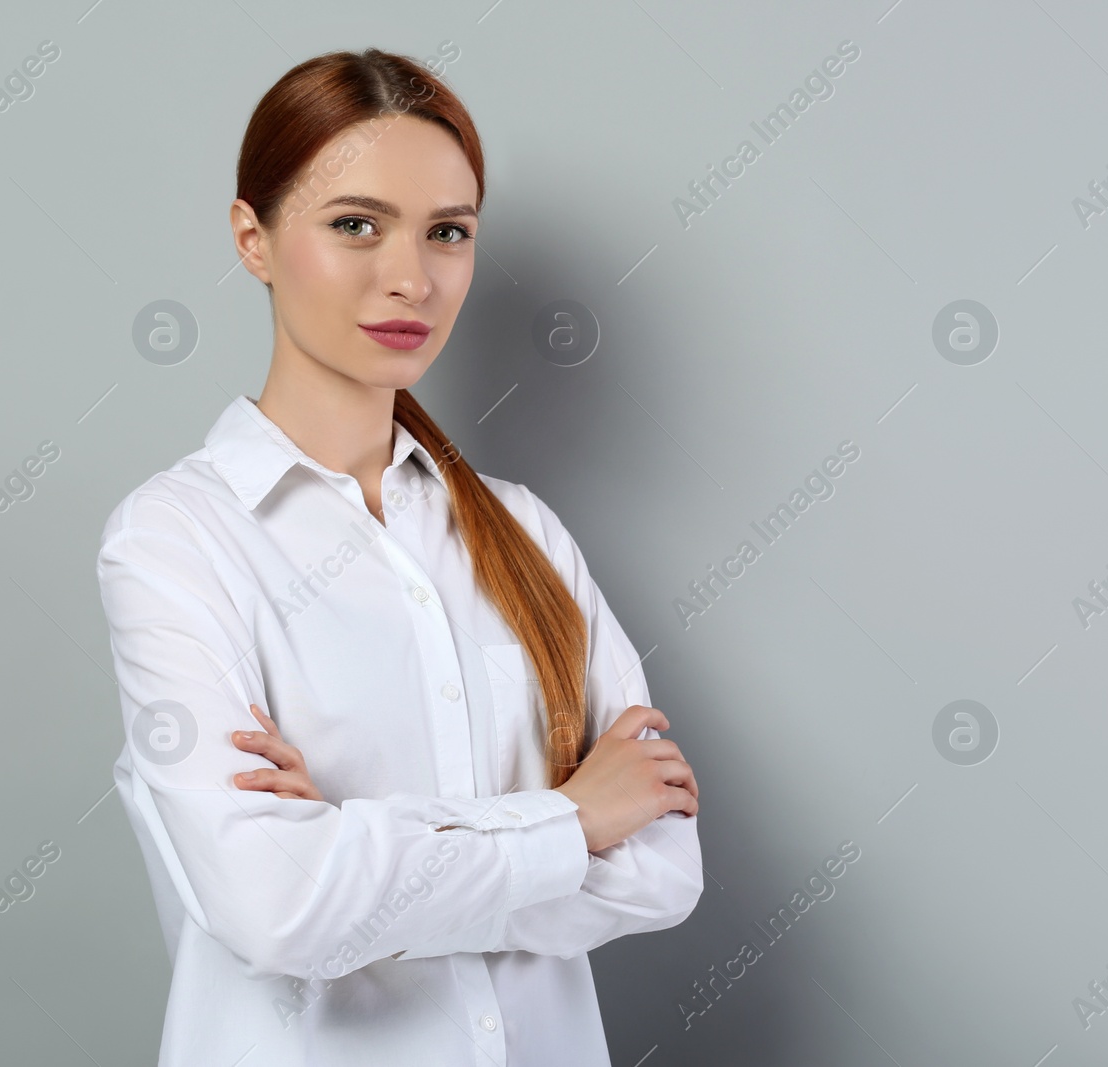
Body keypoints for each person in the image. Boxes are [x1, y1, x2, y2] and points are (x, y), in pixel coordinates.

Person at [94, 47, 702, 1067]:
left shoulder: (526, 531)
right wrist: (566, 821)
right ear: (254, 237)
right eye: (354, 226)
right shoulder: (175, 539)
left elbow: (659, 870)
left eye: (448, 233)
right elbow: (276, 907)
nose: (411, 277)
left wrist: (352, 845)